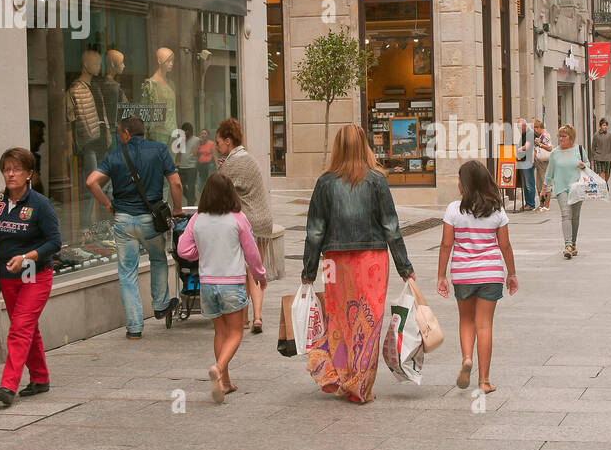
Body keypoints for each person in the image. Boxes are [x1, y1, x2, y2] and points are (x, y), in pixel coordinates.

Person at [301, 124, 415, 404]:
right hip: (371, 260)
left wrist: (308, 270)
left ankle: (340, 376)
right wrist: (404, 267)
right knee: (368, 320)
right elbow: (391, 226)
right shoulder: (377, 180)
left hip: (334, 261)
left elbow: (315, 230)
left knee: (339, 320)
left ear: (337, 148)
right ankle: (360, 384)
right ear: (364, 145)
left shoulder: (325, 182)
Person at [0, 147, 61, 407]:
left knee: (19, 329)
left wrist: (29, 256)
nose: (10, 174)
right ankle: (40, 378)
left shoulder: (40, 204)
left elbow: (55, 242)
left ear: (29, 174)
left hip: (35, 275)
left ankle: (7, 385)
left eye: (17, 170)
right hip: (6, 277)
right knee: (27, 329)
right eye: (6, 169)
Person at [86, 116, 183, 338]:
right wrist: (177, 208)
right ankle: (160, 304)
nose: (119, 138)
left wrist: (107, 203)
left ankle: (134, 328)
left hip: (123, 222)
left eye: (119, 134)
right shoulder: (159, 150)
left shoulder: (115, 155)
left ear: (127, 134)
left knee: (127, 273)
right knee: (158, 258)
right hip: (150, 220)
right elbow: (176, 183)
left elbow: (91, 181)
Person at [176, 172, 267, 403]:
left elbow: (183, 250)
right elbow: (252, 252)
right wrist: (259, 275)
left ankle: (225, 382)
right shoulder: (237, 218)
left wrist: (202, 252)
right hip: (231, 284)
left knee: (220, 332)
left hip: (207, 285)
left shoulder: (197, 218)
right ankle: (218, 368)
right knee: (236, 332)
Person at [436, 160, 517, 395]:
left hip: (463, 274)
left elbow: (445, 245)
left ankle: (467, 358)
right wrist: (511, 274)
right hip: (490, 273)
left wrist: (441, 275)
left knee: (466, 320)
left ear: (465, 184)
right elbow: (505, 246)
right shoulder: (497, 210)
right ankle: (484, 381)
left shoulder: (453, 209)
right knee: (485, 325)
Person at [214, 117, 274, 334]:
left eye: (219, 142)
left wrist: (219, 169)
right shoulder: (248, 158)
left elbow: (217, 187)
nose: (217, 146)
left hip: (244, 223)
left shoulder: (231, 163)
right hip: (263, 221)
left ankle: (245, 318)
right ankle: (258, 316)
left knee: (241, 271)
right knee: (256, 271)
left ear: (228, 141)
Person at [543, 124, 589, 259]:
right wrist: (544, 188)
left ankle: (573, 244)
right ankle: (568, 245)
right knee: (565, 214)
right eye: (560, 136)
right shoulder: (555, 153)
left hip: (577, 187)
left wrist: (584, 165)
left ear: (571, 138)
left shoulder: (579, 150)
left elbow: (588, 164)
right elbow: (549, 172)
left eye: (564, 136)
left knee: (575, 217)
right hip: (561, 188)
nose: (561, 139)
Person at [515, 117, 537, 211]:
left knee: (529, 183)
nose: (519, 129)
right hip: (523, 161)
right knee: (525, 184)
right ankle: (528, 203)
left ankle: (531, 204)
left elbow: (526, 146)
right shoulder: (524, 134)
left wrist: (517, 149)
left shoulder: (530, 133)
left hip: (528, 162)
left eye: (520, 127)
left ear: (524, 126)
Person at [532, 119, 554, 211]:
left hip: (545, 163)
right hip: (539, 163)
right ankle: (541, 204)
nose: (534, 130)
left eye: (535, 128)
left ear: (539, 128)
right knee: (539, 184)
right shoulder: (540, 136)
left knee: (546, 184)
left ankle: (546, 205)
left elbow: (550, 148)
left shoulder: (545, 135)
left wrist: (539, 144)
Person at [177, 121, 200, 203]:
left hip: (192, 166)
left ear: (189, 131)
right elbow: (178, 152)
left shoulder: (197, 140)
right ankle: (192, 198)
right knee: (180, 186)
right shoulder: (181, 140)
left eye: (185, 131)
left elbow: (198, 150)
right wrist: (177, 162)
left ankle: (190, 204)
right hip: (182, 166)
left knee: (191, 186)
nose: (184, 132)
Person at [591, 118, 611, 187]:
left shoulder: (610, 135)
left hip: (608, 158)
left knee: (607, 173)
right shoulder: (596, 135)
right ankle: (603, 186)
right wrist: (592, 158)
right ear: (600, 126)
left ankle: (605, 184)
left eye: (606, 125)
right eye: (604, 125)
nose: (605, 127)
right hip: (598, 157)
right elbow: (593, 147)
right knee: (601, 174)